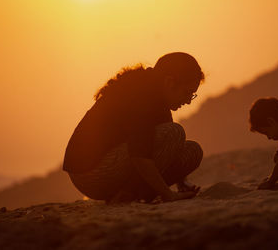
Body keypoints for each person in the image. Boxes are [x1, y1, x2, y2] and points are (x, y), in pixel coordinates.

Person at [63, 52, 205, 203]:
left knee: (192, 151)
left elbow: (165, 150)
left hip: (116, 164)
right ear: (170, 82)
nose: (188, 101)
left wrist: (182, 182)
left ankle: (132, 194)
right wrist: (167, 194)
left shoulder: (157, 94)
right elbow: (140, 154)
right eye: (187, 93)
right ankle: (128, 194)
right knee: (174, 133)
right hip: (91, 174)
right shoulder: (141, 94)